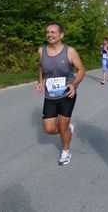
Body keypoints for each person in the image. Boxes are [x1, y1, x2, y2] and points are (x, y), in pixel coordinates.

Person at [35, 21, 85, 165]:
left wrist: (74, 84)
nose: (49, 35)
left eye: (53, 32)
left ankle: (65, 151)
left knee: (62, 125)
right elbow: (41, 67)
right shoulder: (41, 50)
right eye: (47, 32)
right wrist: (40, 82)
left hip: (66, 94)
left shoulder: (70, 51)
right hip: (50, 95)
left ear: (61, 35)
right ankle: (67, 129)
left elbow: (81, 70)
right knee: (48, 129)